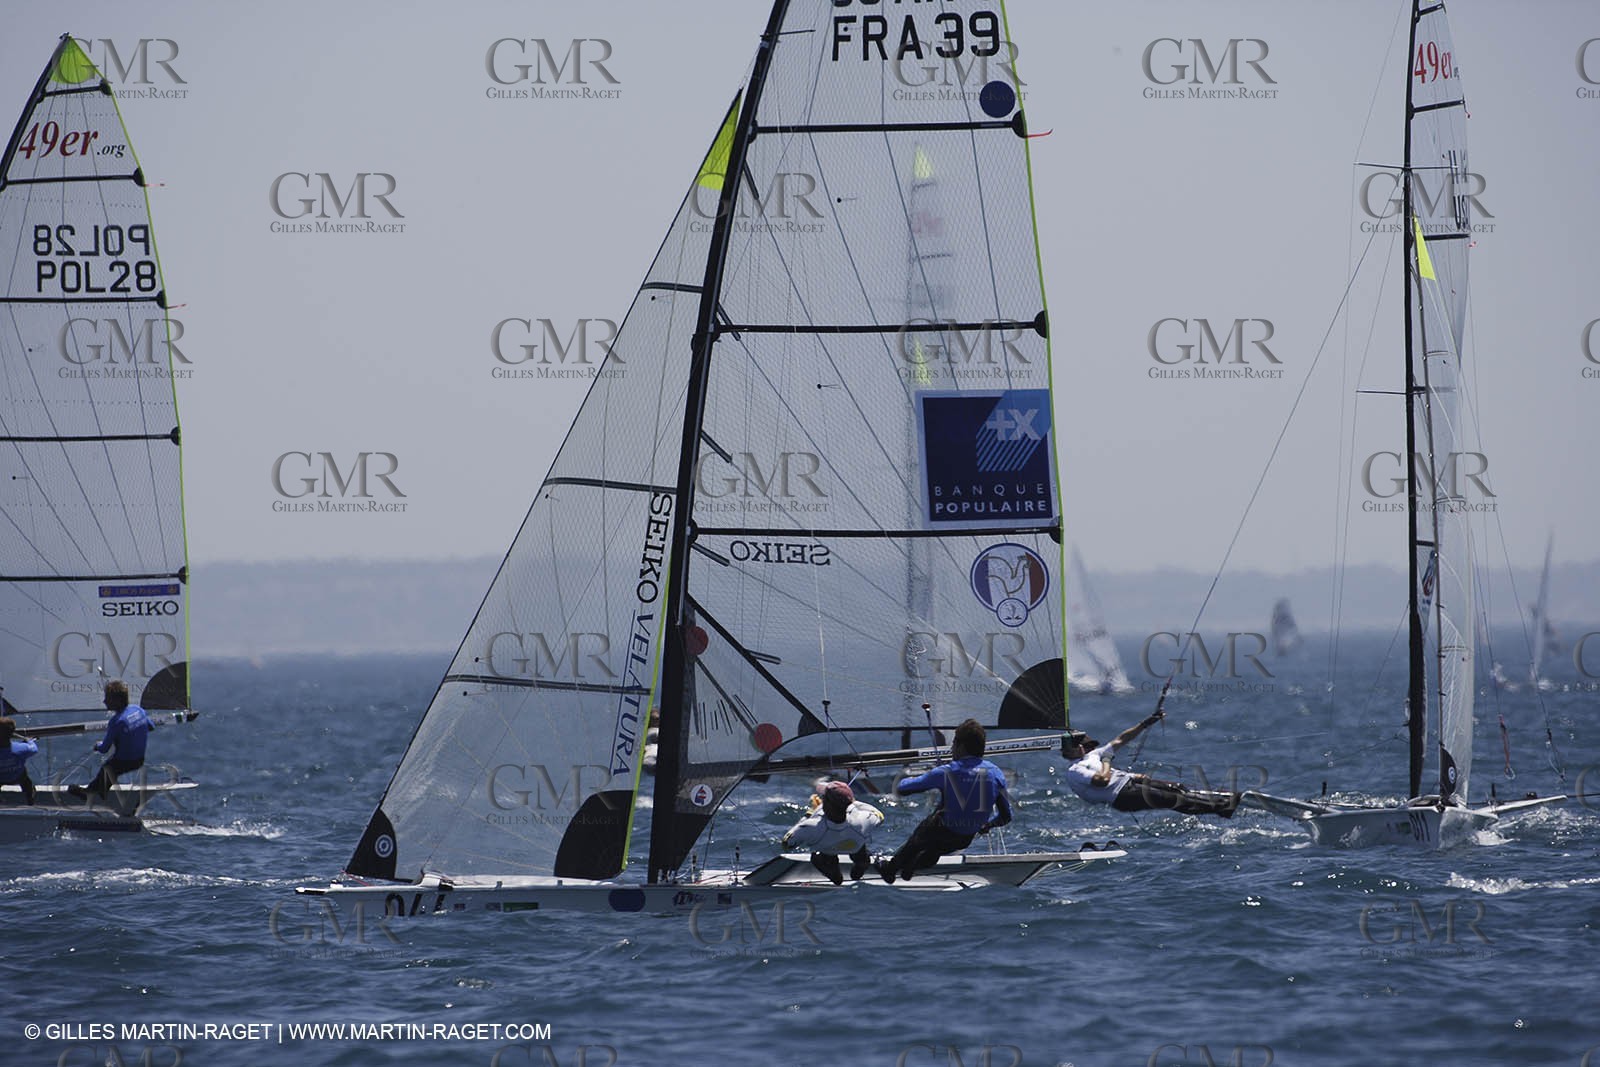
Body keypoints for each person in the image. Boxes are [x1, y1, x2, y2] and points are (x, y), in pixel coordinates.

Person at [875, 718, 1012, 884]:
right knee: (935, 849)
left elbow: (902, 789)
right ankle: (912, 867)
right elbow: (1006, 817)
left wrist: (928, 775)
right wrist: (987, 825)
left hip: (940, 832)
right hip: (965, 839)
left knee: (927, 830)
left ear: (961, 746)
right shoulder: (996, 773)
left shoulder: (948, 771)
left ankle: (890, 869)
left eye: (954, 744)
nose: (952, 748)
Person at [1062, 711, 1238, 818]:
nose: (1082, 747)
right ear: (1069, 751)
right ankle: (1224, 807)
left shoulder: (1092, 755)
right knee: (1175, 800)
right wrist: (1107, 760)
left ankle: (1219, 800)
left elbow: (1121, 739)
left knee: (1177, 789)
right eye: (1077, 745)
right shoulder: (1075, 770)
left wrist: (1145, 723)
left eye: (1082, 744)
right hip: (1122, 796)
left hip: (1129, 784)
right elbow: (1102, 781)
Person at [780, 780, 884, 885]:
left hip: (827, 850)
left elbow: (787, 843)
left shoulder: (811, 826)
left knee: (820, 856)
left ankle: (835, 877)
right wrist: (853, 802)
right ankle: (860, 867)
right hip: (854, 847)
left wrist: (811, 811)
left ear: (825, 803)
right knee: (859, 847)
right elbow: (879, 816)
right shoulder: (862, 819)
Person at [69, 680, 152, 804]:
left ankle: (90, 793)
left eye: (107, 698)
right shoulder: (138, 710)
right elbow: (150, 726)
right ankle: (102, 792)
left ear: (116, 701)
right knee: (111, 768)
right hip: (139, 760)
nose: (104, 701)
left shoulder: (116, 721)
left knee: (108, 768)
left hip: (125, 762)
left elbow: (104, 749)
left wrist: (97, 746)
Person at [0, 717, 38, 804]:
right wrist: (29, 740)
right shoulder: (21, 748)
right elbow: (34, 749)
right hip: (16, 777)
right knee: (27, 782)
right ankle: (30, 800)